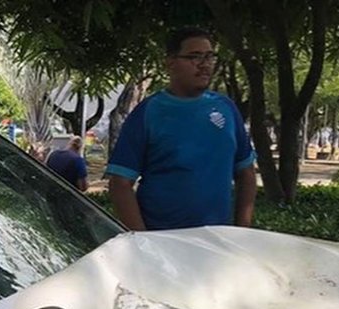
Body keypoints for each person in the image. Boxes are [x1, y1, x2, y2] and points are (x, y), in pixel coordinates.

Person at [106, 27, 256, 231]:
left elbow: (246, 173)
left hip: (218, 243)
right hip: (164, 242)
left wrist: (242, 231)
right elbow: (120, 184)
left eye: (209, 57)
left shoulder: (226, 108)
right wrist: (143, 242)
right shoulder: (149, 112)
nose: (204, 65)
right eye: (194, 57)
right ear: (170, 63)